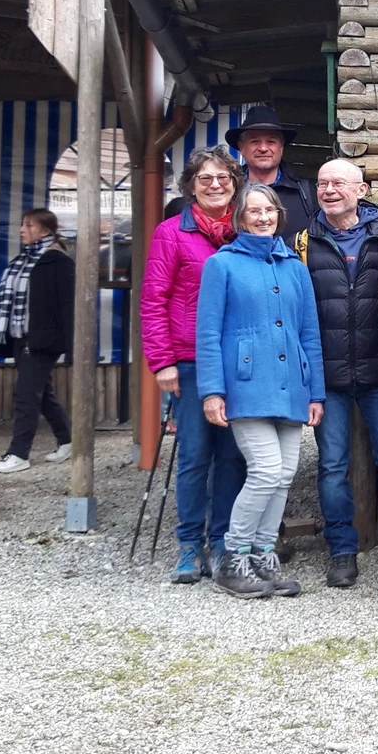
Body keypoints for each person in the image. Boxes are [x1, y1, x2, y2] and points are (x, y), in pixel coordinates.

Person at [196, 184, 324, 599]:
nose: (263, 216)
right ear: (240, 217)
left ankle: (263, 555)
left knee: (284, 475)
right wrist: (212, 391)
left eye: (269, 209)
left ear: (278, 214)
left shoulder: (294, 267)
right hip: (247, 385)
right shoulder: (222, 264)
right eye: (254, 210)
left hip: (293, 385)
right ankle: (233, 558)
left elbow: (309, 333)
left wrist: (315, 392)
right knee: (266, 470)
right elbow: (208, 333)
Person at [296, 159, 378, 589]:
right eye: (322, 183)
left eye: (338, 182)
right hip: (328, 376)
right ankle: (341, 550)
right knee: (332, 466)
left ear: (363, 189)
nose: (329, 190)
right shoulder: (303, 241)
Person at [143, 148, 245, 583]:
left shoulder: (246, 232)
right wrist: (162, 361)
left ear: (236, 184)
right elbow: (152, 301)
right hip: (188, 360)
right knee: (194, 455)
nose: (216, 184)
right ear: (190, 186)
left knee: (233, 456)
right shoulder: (171, 233)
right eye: (205, 178)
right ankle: (189, 543)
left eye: (223, 177)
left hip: (237, 363)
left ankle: (222, 539)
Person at [0, 209, 76, 474]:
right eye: (22, 224)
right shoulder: (22, 261)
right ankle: (68, 440)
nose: (22, 230)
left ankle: (18, 453)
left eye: (28, 225)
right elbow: (11, 300)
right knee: (41, 392)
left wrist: (71, 345)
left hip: (43, 339)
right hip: (20, 334)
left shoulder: (58, 261)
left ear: (45, 231)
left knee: (26, 394)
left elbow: (68, 305)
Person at [226, 107, 317, 236]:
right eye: (255, 141)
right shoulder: (228, 192)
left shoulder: (308, 195)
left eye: (271, 141)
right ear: (241, 147)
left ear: (281, 147)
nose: (263, 148)